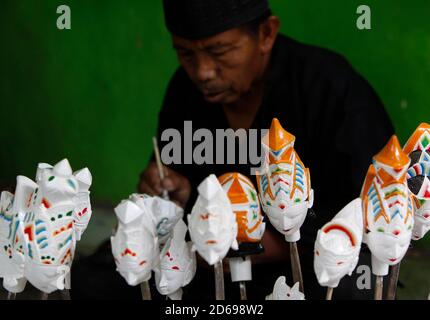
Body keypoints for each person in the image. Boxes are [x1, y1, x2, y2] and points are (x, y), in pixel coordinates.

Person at [72, 0, 394, 300]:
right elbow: (178, 192)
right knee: (102, 276)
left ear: (266, 34)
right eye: (185, 54)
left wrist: (278, 242)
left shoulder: (331, 89)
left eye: (220, 51)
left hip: (301, 260)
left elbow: (372, 205)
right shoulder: (185, 91)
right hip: (207, 260)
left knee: (351, 285)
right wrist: (175, 193)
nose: (202, 72)